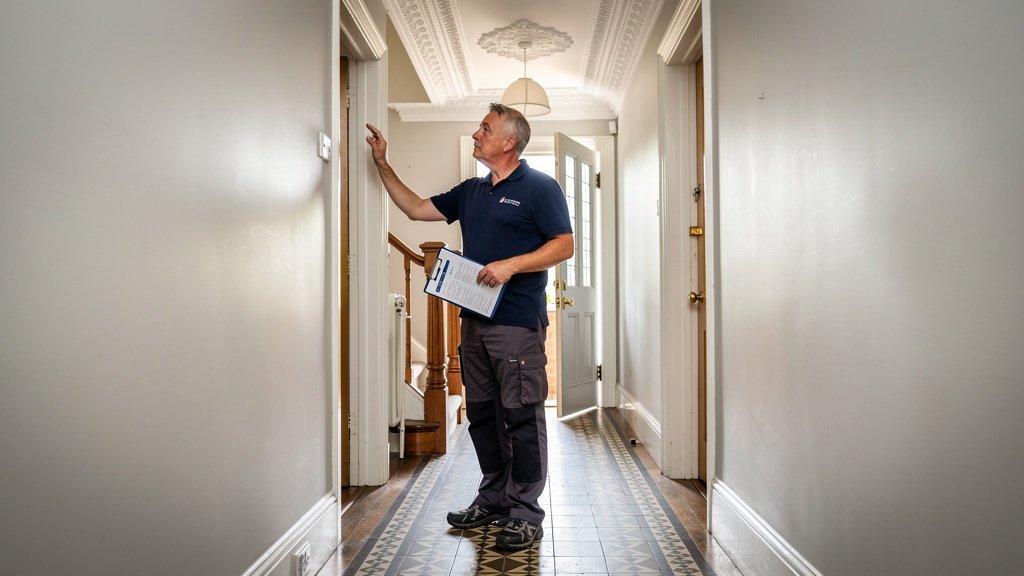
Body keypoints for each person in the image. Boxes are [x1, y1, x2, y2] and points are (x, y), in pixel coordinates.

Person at [365, 103, 573, 551]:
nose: (477, 133)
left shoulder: (540, 187)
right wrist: (382, 162)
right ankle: (494, 498)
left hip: (516, 323)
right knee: (482, 416)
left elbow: (565, 245)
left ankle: (524, 512)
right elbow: (418, 208)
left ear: (509, 142)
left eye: (485, 128)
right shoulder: (472, 190)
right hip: (473, 323)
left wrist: (511, 266)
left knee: (521, 416)